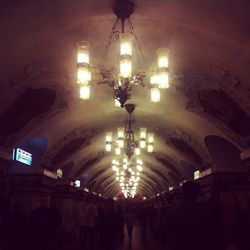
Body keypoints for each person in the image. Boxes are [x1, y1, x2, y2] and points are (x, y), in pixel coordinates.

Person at [164, 181, 219, 250]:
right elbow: (214, 233)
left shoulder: (173, 212)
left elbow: (160, 235)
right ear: (197, 193)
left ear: (183, 194)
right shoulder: (206, 210)